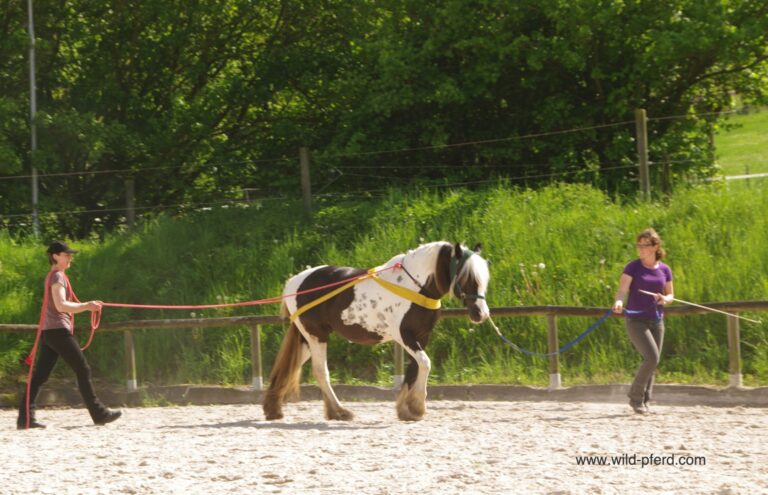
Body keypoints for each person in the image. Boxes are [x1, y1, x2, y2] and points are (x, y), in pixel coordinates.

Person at [17, 240, 121, 429]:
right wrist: (87, 306)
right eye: (66, 255)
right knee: (83, 369)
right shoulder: (57, 277)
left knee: (40, 376)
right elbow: (61, 305)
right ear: (55, 256)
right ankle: (99, 414)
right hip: (58, 331)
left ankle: (25, 418)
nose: (70, 257)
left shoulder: (53, 276)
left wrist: (87, 305)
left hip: (50, 332)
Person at [612, 228, 674, 415]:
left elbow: (671, 294)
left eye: (644, 245)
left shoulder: (665, 269)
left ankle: (644, 401)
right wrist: (619, 301)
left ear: (655, 247)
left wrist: (665, 299)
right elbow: (623, 290)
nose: (640, 248)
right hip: (636, 320)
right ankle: (635, 397)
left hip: (657, 320)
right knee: (652, 358)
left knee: (652, 362)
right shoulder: (633, 267)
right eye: (638, 245)